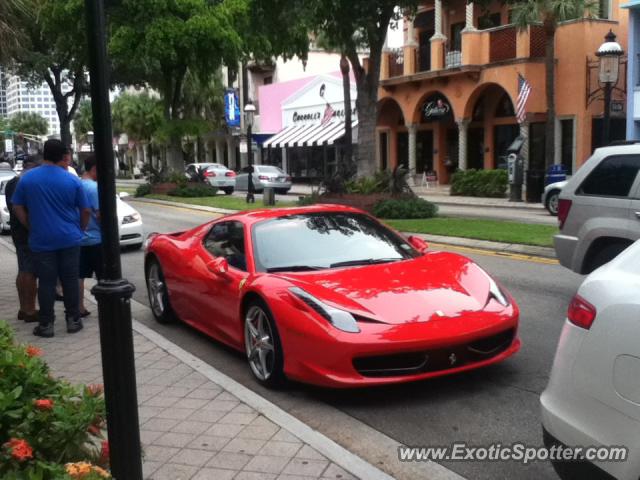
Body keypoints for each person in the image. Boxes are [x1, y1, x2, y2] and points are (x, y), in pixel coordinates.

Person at [11, 139, 91, 338]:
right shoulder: (72, 180)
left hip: (41, 239)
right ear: (64, 156)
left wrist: (29, 224)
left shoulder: (28, 179)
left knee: (46, 283)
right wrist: (80, 229)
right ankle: (73, 320)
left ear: (44, 154)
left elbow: (17, 206)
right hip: (69, 238)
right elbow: (86, 210)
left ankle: (46, 324)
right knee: (70, 281)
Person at [4, 155, 41, 323]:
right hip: (27, 232)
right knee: (30, 271)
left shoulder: (13, 182)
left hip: (18, 232)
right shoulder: (25, 182)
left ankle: (23, 307)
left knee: (23, 269)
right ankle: (30, 309)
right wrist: (31, 228)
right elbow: (22, 209)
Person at [78, 155, 102, 317]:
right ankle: (106, 306)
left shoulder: (77, 185)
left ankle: (79, 307)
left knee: (79, 276)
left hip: (79, 239)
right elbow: (100, 215)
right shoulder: (94, 188)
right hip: (96, 239)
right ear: (94, 169)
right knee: (104, 276)